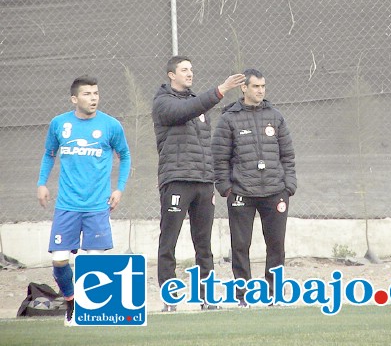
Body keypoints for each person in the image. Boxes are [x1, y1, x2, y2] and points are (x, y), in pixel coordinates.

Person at [152, 55, 245, 311]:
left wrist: (212, 176)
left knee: (204, 244)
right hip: (177, 180)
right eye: (184, 70)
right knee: (168, 241)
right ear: (171, 75)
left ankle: (206, 297)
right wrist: (221, 90)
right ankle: (169, 299)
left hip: (203, 182)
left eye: (191, 69)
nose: (190, 74)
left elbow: (206, 143)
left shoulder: (197, 105)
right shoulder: (163, 102)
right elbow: (184, 112)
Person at [37, 75, 131, 326]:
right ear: (74, 99)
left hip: (97, 206)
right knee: (59, 261)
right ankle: (71, 302)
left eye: (96, 93)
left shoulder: (111, 125)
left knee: (93, 264)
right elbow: (49, 154)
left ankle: (90, 314)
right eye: (88, 94)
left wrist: (119, 189)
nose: (93, 98)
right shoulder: (59, 124)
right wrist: (42, 183)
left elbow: (125, 156)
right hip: (67, 206)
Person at [212, 68, 297, 307]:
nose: (260, 91)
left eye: (263, 87)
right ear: (244, 88)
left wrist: (288, 186)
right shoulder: (229, 118)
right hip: (241, 193)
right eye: (256, 87)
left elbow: (288, 155)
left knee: (276, 245)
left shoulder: (275, 116)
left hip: (274, 191)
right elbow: (219, 158)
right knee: (240, 246)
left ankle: (274, 293)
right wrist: (227, 188)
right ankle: (243, 295)